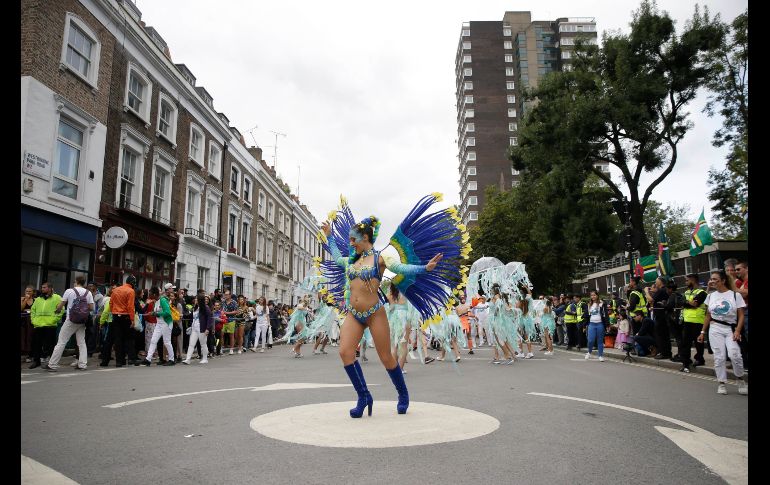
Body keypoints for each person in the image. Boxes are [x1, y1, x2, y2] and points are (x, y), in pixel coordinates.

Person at [318, 193, 466, 418]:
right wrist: (329, 236)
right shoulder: (352, 260)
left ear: (365, 237)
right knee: (345, 352)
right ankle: (364, 397)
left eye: (353, 239)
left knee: (386, 357)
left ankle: (403, 394)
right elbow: (337, 257)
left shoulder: (380, 258)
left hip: (374, 313)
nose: (351, 243)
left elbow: (400, 268)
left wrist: (424, 268)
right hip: (354, 314)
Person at [697, 270, 747, 395]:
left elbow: (741, 315)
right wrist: (702, 332)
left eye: (715, 279)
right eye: (711, 279)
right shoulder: (710, 296)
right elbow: (708, 315)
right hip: (715, 328)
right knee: (719, 357)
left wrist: (738, 330)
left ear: (723, 281)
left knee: (735, 354)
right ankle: (721, 383)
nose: (712, 281)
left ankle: (740, 379)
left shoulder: (735, 295)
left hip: (731, 329)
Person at [44, 275, 94, 371]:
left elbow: (61, 305)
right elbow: (91, 308)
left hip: (70, 320)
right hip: (82, 321)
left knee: (61, 342)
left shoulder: (69, 291)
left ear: (76, 281)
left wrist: (57, 310)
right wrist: (82, 310)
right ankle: (82, 364)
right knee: (81, 342)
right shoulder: (88, 293)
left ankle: (52, 364)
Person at [28, 282, 62, 369]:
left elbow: (61, 310)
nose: (42, 289)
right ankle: (36, 361)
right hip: (38, 324)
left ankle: (51, 362)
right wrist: (33, 320)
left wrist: (54, 320)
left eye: (44, 287)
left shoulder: (57, 297)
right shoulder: (38, 299)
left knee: (50, 345)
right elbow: (33, 310)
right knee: (37, 344)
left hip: (50, 325)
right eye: (42, 287)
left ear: (50, 288)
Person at [141, 286, 175, 366]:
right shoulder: (155, 301)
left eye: (150, 294)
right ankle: (148, 359)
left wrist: (156, 314)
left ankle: (172, 359)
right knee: (153, 340)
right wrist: (152, 313)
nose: (149, 295)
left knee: (167, 342)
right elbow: (157, 313)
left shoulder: (162, 300)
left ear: (154, 294)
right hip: (159, 323)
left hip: (166, 323)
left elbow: (167, 313)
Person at [645, 277, 672, 360]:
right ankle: (666, 352)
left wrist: (646, 292)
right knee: (664, 335)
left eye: (656, 282)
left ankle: (664, 353)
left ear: (661, 282)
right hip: (663, 315)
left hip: (661, 316)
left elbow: (651, 300)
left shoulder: (661, 290)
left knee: (661, 335)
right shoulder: (663, 290)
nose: (655, 283)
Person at [183, 290, 211, 365]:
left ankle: (205, 358)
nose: (195, 300)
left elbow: (209, 318)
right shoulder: (195, 308)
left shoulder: (206, 307)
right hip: (194, 329)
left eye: (196, 299)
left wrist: (207, 329)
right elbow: (190, 316)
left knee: (203, 344)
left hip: (202, 329)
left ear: (200, 300)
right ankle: (188, 359)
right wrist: (182, 315)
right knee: (191, 344)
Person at [585, 290, 608, 362]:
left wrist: (607, 324)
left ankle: (600, 356)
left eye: (594, 295)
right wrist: (584, 324)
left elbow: (605, 314)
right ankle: (589, 352)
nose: (593, 296)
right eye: (591, 295)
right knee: (590, 340)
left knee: (600, 341)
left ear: (597, 295)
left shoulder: (601, 303)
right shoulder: (589, 304)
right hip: (591, 324)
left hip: (600, 324)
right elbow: (587, 315)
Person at [734, 260, 749, 371]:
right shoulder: (742, 282)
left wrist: (734, 288)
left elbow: (745, 293)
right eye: (735, 269)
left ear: (746, 269)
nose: (736, 271)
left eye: (738, 269)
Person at [221, 290, 239, 355]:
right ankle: (221, 348)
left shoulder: (234, 302)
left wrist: (227, 313)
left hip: (231, 320)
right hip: (223, 320)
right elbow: (221, 310)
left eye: (227, 294)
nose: (226, 296)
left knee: (231, 335)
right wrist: (222, 313)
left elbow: (236, 311)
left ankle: (231, 349)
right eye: (225, 294)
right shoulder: (223, 302)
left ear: (230, 295)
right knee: (221, 334)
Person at [21, 285, 36, 361]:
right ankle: (23, 354)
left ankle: (30, 355)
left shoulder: (35, 300)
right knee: (23, 336)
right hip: (23, 321)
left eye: (30, 291)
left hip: (32, 320)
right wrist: (25, 300)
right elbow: (21, 308)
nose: (28, 292)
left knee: (30, 336)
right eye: (27, 291)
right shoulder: (22, 299)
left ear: (33, 292)